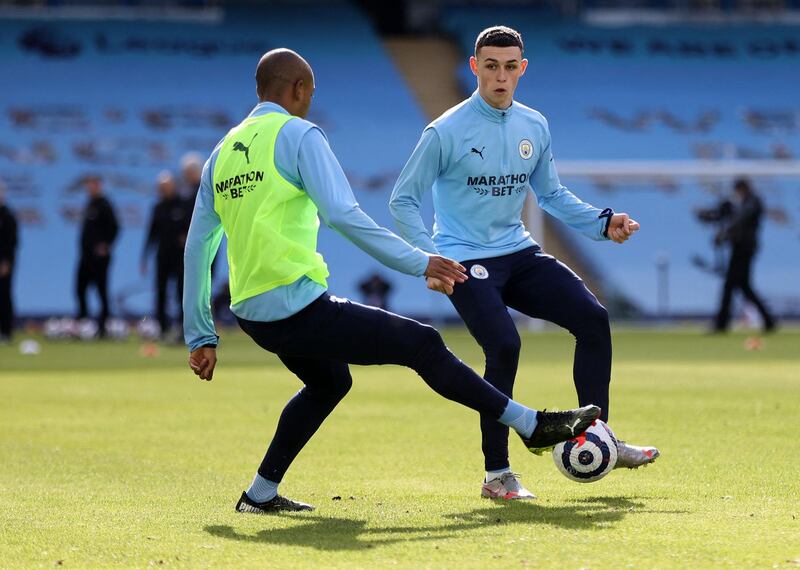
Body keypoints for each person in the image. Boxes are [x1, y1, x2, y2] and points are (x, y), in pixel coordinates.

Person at [183, 48, 601, 514]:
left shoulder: (220, 153)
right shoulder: (299, 135)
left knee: (328, 382)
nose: (309, 103)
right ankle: (530, 424)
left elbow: (198, 246)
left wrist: (201, 334)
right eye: (311, 94)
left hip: (254, 313)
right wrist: (418, 261)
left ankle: (260, 494)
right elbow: (344, 215)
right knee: (421, 343)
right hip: (296, 306)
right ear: (300, 90)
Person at [390, 26, 659, 501]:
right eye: (491, 66)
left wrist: (603, 222)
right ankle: (498, 475)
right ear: (475, 67)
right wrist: (429, 259)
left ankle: (602, 437)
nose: (500, 76)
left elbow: (551, 194)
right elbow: (402, 201)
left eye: (510, 66)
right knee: (505, 345)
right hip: (465, 260)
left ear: (522, 69)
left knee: (593, 319)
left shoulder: (534, 124)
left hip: (518, 252)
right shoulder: (445, 131)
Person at [711, 178, 776, 332]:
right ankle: (768, 321)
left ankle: (722, 323)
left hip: (744, 249)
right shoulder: (744, 203)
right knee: (744, 286)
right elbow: (731, 218)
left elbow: (740, 220)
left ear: (741, 188)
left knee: (731, 285)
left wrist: (725, 233)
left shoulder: (753, 202)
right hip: (740, 247)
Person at [141, 171, 191, 339]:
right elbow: (151, 233)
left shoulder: (183, 205)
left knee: (180, 292)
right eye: (161, 187)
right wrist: (144, 258)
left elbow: (192, 229)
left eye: (166, 186)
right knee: (160, 292)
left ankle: (182, 327)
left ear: (173, 186)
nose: (163, 190)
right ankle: (162, 328)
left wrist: (186, 238)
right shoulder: (158, 207)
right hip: (162, 256)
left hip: (179, 257)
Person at [76, 175, 119, 337]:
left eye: (92, 185)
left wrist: (106, 245)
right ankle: (83, 323)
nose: (89, 188)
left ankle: (104, 327)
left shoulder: (105, 205)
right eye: (88, 185)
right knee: (80, 289)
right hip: (85, 256)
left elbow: (115, 227)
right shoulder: (90, 204)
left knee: (101, 291)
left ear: (99, 186)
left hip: (100, 258)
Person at [0, 186, 18, 343]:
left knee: (4, 296)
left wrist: (6, 262)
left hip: (3, 264)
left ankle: (6, 332)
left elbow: (12, 243)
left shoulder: (7, 216)